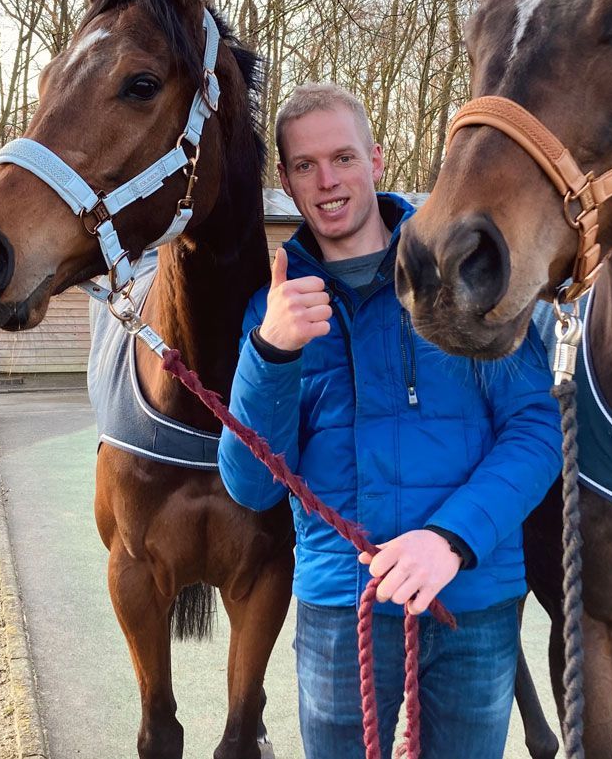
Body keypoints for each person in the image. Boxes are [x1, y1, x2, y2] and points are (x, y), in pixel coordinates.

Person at [218, 83, 562, 759]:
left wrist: (450, 539)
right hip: (341, 613)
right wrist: (271, 352)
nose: (328, 180)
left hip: (473, 599)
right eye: (306, 165)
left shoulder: (463, 275)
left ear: (375, 159)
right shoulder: (274, 308)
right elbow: (251, 486)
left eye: (343, 157)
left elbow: (535, 430)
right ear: (284, 179)